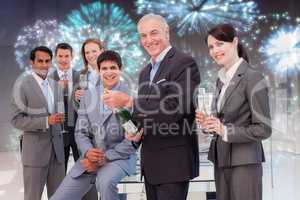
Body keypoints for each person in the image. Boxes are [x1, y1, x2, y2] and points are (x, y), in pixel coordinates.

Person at [126, 13, 201, 200]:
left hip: (173, 164)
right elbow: (141, 114)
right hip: (151, 165)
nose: (149, 40)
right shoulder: (145, 72)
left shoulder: (184, 63)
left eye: (154, 33)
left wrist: (129, 102)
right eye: (143, 36)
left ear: (166, 33)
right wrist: (132, 130)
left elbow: (176, 108)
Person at [196, 24, 272, 200]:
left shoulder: (252, 77)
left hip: (245, 162)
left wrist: (224, 130)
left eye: (220, 44)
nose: (214, 50)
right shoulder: (220, 80)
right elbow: (222, 121)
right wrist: (208, 124)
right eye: (211, 47)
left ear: (235, 42)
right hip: (221, 160)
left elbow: (263, 129)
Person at [50, 50, 137, 200]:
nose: (109, 72)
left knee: (105, 183)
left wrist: (105, 158)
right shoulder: (88, 96)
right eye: (104, 68)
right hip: (91, 158)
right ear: (98, 71)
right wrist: (88, 152)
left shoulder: (129, 96)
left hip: (119, 158)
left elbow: (133, 139)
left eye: (113, 67)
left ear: (120, 69)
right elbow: (80, 132)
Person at [10, 46, 65, 200]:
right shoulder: (21, 86)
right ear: (31, 62)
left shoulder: (56, 85)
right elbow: (16, 120)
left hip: (57, 153)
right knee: (33, 197)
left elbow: (59, 114)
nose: (44, 65)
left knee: (59, 197)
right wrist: (46, 121)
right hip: (35, 154)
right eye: (40, 61)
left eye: (47, 61)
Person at [49, 43, 80, 172]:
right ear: (55, 57)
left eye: (66, 56)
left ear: (72, 56)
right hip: (59, 133)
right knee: (59, 173)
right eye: (60, 56)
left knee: (84, 171)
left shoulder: (81, 76)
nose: (63, 59)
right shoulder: (49, 79)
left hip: (79, 132)